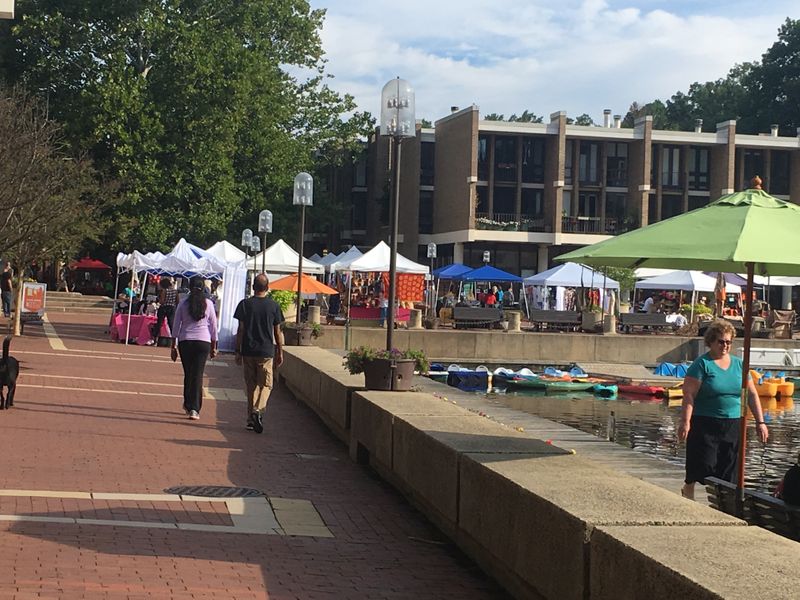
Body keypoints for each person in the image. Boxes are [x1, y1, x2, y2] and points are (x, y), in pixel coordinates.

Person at [678, 319, 768, 500]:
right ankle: (689, 486)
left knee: (729, 467)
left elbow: (751, 395)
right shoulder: (702, 364)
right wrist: (685, 422)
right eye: (721, 341)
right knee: (704, 463)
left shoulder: (739, 365)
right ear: (711, 341)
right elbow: (689, 395)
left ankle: (722, 502)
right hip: (705, 422)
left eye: (728, 342)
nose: (725, 345)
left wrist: (761, 422)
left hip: (733, 423)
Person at [233, 274, 284, 434]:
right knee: (267, 385)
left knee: (251, 385)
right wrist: (280, 351)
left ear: (253, 287)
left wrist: (238, 350)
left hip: (248, 350)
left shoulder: (244, 305)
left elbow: (240, 329)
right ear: (267, 288)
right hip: (266, 351)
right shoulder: (274, 306)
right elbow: (277, 331)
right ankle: (258, 410)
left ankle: (250, 419)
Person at [170, 277, 218, 420]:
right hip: (203, 341)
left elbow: (176, 324)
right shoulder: (208, 304)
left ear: (189, 288)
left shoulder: (183, 304)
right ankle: (195, 408)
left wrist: (173, 345)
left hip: (186, 341)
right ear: (203, 288)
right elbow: (214, 326)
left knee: (189, 373)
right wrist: (214, 346)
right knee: (198, 374)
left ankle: (188, 402)